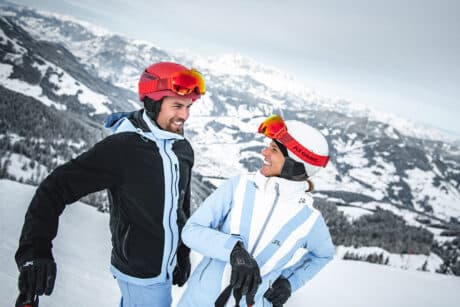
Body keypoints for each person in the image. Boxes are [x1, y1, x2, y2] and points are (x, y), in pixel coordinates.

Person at [14, 62, 206, 307]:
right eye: (177, 106)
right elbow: (54, 189)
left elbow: (181, 204)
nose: (184, 115)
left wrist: (181, 252)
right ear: (153, 102)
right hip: (140, 274)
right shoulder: (123, 148)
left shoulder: (181, 148)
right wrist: (35, 251)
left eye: (189, 107)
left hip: (164, 269)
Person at [177, 114, 335, 307]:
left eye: (274, 149)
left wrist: (289, 282)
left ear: (294, 164)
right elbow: (191, 231)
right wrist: (234, 251)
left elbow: (323, 255)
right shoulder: (239, 187)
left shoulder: (308, 220)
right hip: (198, 301)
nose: (264, 152)